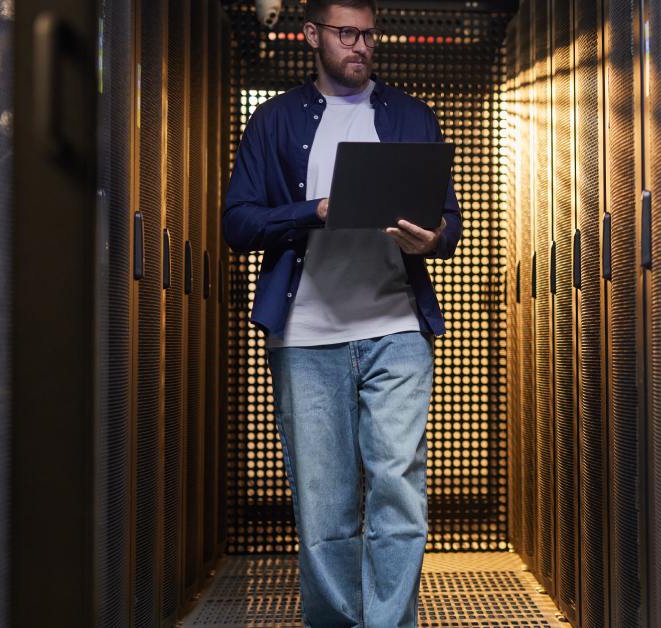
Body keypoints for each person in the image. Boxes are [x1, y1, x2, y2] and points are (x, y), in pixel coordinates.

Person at [221, 0, 462, 625]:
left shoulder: (411, 116)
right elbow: (238, 223)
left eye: (369, 35)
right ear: (311, 35)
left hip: (396, 328)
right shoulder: (274, 120)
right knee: (325, 506)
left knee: (398, 492)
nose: (361, 46)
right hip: (307, 336)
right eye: (347, 33)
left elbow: (448, 220)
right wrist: (316, 211)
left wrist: (433, 239)